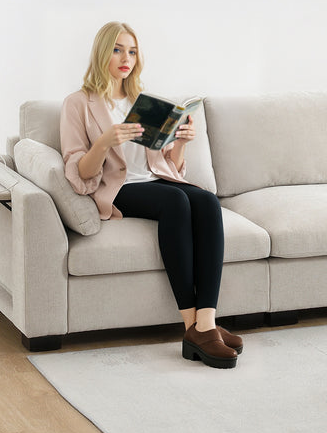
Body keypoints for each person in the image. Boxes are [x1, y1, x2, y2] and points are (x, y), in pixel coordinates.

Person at [60, 21, 242, 369]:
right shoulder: (78, 104)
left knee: (204, 200)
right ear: (102, 53)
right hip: (120, 189)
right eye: (116, 49)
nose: (125, 58)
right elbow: (79, 173)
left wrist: (183, 144)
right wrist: (104, 142)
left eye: (131, 51)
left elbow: (168, 164)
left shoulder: (142, 101)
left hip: (155, 179)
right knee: (176, 201)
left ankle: (204, 323)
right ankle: (195, 327)